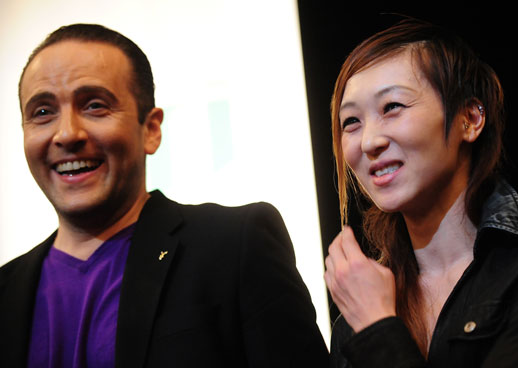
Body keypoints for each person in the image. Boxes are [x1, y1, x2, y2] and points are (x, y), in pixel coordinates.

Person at [0, 23, 329, 367]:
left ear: (151, 130)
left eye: (95, 105)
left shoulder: (235, 245)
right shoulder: (6, 292)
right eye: (42, 112)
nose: (67, 133)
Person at [323, 16, 518, 367]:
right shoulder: (359, 310)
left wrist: (378, 328)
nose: (369, 142)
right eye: (351, 122)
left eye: (392, 107)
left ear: (470, 119)